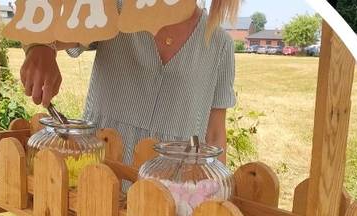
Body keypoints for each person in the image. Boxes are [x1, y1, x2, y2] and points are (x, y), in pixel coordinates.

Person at [19, 0, 240, 164]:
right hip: (98, 172)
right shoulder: (115, 10)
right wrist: (40, 48)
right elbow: (53, 31)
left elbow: (214, 134)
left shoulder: (221, 45)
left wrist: (217, 197)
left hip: (173, 191)